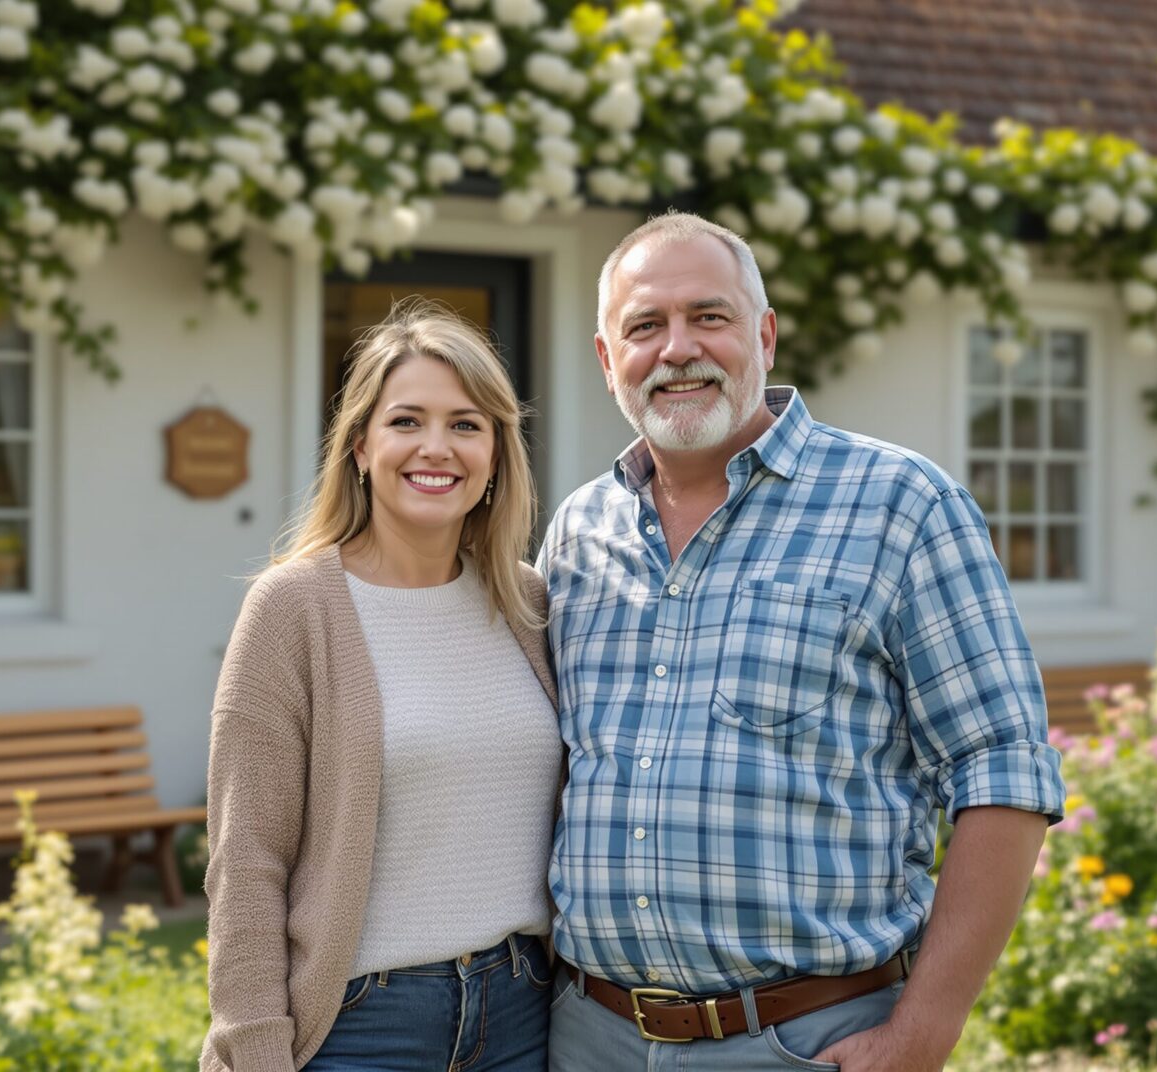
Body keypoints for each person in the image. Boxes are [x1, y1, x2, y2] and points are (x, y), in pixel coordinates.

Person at [538, 211, 1066, 1071]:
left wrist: (924, 1030)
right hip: (586, 1036)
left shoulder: (901, 504)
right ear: (608, 361)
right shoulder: (577, 532)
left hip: (807, 1043)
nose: (677, 349)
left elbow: (1002, 771)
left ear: (766, 335)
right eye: (645, 326)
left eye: (708, 316)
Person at [201, 299, 561, 1072]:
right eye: (407, 421)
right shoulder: (292, 608)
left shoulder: (529, 604)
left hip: (525, 1013)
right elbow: (246, 863)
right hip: (360, 1026)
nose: (437, 447)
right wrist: (255, 1050)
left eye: (466, 424)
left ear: (496, 454)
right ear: (360, 445)